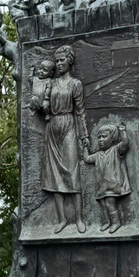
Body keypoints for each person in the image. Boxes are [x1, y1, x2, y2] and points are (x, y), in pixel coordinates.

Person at [40, 45, 88, 233]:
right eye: (57, 61)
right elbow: (44, 105)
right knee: (54, 176)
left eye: (62, 60)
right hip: (52, 127)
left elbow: (80, 111)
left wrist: (84, 135)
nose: (59, 63)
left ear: (70, 61)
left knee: (72, 173)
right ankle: (62, 220)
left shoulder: (75, 84)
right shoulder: (51, 84)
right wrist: (43, 104)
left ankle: (79, 219)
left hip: (69, 125)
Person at [84, 121, 130, 233]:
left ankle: (116, 222)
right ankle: (106, 222)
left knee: (110, 204)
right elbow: (87, 159)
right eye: (99, 137)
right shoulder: (98, 155)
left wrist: (123, 131)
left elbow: (125, 143)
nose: (100, 140)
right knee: (103, 204)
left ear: (112, 138)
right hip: (102, 186)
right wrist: (85, 147)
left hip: (112, 185)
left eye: (104, 137)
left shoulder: (115, 150)